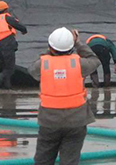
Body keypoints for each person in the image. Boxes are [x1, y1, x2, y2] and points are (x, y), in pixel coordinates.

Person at [28, 27, 100, 165]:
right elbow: (94, 60)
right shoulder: (79, 64)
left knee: (43, 160)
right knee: (70, 161)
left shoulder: (43, 64)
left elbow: (32, 70)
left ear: (50, 46)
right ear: (71, 46)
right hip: (76, 121)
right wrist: (78, 43)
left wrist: (49, 52)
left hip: (49, 122)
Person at [0, 1, 27, 90]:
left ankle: (7, 87)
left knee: (5, 68)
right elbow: (18, 25)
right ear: (6, 9)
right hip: (8, 45)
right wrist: (24, 30)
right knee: (10, 69)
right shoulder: (6, 17)